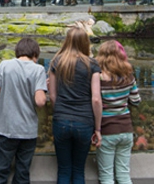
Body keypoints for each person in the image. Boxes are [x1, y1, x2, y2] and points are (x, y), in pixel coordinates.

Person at [0, 38, 47, 184]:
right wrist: (43, 87)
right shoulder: (38, 69)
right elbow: (40, 102)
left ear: (18, 51)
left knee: (0, 171)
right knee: (22, 173)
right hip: (27, 131)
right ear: (35, 53)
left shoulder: (4, 65)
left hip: (5, 128)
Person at [48, 27, 102, 184]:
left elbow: (52, 95)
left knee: (64, 170)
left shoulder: (56, 62)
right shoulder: (92, 65)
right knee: (79, 170)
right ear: (85, 42)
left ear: (67, 41)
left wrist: (59, 113)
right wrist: (97, 129)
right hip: (84, 122)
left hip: (61, 120)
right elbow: (96, 99)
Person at [95, 40, 140, 184]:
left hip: (107, 131)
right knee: (124, 174)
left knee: (107, 176)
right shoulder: (128, 76)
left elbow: (95, 101)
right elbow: (136, 100)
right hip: (126, 130)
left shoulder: (99, 78)